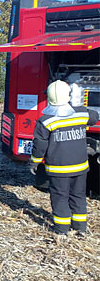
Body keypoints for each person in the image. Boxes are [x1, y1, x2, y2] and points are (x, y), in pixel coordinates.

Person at [29, 80, 99, 235]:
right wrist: (78, 104)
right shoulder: (81, 113)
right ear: (68, 96)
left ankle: (61, 229)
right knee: (78, 195)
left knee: (60, 197)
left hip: (58, 169)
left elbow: (40, 146)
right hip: (80, 167)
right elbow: (95, 116)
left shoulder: (45, 120)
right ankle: (80, 227)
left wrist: (34, 162)